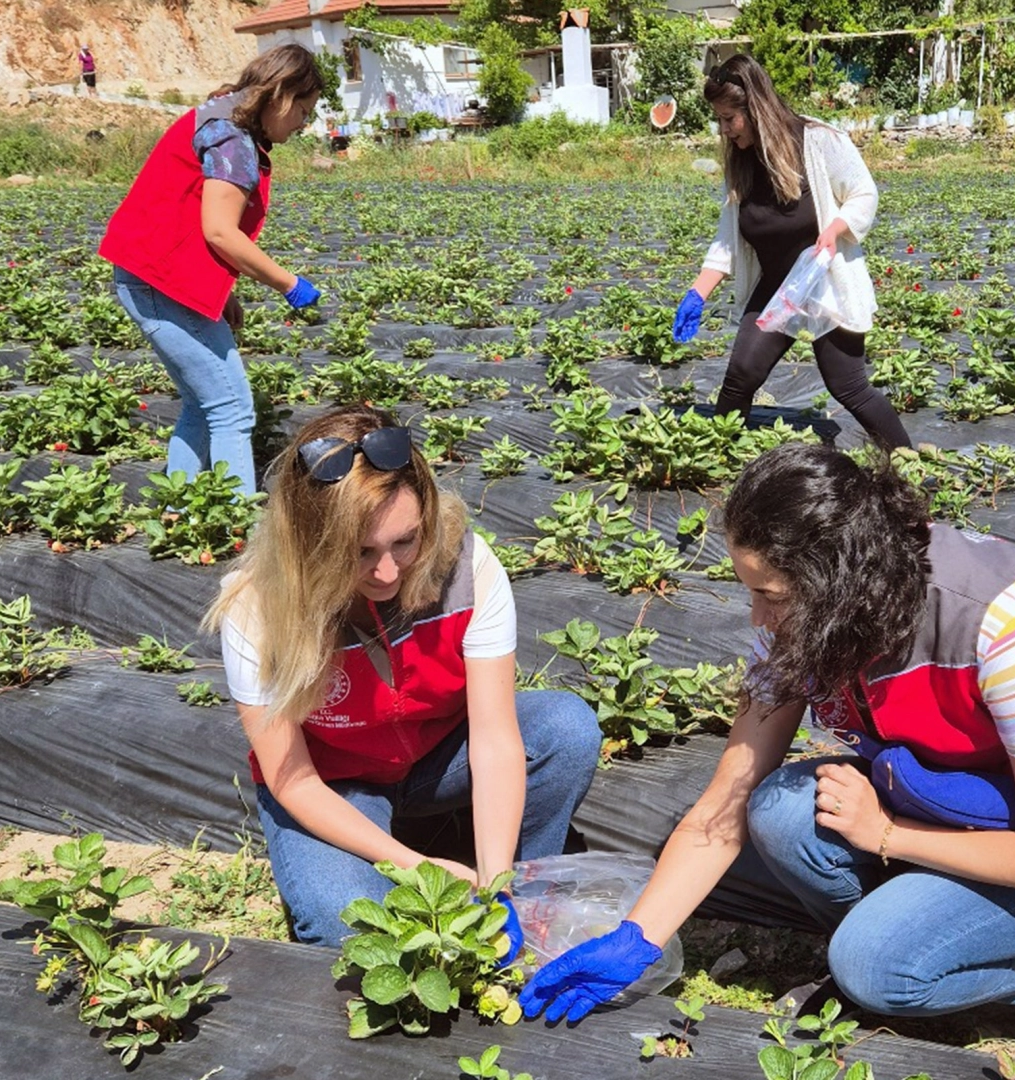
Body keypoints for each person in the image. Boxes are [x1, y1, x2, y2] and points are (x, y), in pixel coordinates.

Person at [519, 444, 1015, 1075]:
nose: (758, 616)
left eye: (772, 595)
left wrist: (887, 835)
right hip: (938, 806)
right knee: (778, 810)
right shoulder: (809, 621)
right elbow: (728, 799)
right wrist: (638, 939)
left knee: (875, 970)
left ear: (841, 582)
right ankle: (905, 931)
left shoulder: (994, 620)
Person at [206, 406, 603, 948]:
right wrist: (416, 868)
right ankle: (396, 852)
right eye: (360, 552)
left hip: (437, 759)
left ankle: (526, 894)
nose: (388, 572)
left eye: (405, 542)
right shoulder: (259, 607)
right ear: (311, 542)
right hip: (334, 782)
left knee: (565, 729)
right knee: (341, 918)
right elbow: (291, 779)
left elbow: (492, 738)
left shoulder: (467, 568)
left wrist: (498, 883)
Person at [99, 44, 325, 497]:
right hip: (159, 281)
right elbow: (220, 232)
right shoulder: (232, 140)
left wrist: (224, 293)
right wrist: (290, 284)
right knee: (231, 409)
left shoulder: (223, 118)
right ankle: (236, 525)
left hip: (155, 276)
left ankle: (180, 506)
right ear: (279, 96)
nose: (304, 123)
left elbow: (196, 224)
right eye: (303, 109)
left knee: (204, 405)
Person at [671, 55, 910, 453]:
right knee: (741, 374)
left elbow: (863, 193)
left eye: (730, 118)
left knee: (848, 385)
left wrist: (835, 229)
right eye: (720, 120)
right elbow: (728, 240)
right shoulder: (743, 166)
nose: (724, 129)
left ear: (756, 108)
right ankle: (716, 459)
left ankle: (910, 467)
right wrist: (697, 293)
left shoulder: (818, 142)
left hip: (824, 280)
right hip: (779, 285)